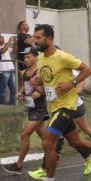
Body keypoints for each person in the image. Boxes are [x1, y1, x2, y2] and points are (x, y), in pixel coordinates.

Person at [33, 24, 91, 180]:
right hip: (53, 106)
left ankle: (49, 178)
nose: (34, 41)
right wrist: (37, 81)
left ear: (49, 39)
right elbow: (45, 79)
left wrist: (72, 83)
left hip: (67, 106)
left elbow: (87, 70)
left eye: (38, 37)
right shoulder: (40, 58)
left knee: (47, 142)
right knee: (76, 141)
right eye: (34, 37)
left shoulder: (63, 57)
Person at [2, 47, 49, 175]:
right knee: (46, 138)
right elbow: (25, 86)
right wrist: (20, 93)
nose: (26, 59)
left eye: (29, 57)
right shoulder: (24, 72)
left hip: (40, 108)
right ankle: (54, 154)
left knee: (25, 134)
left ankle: (18, 165)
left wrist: (40, 93)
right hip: (30, 107)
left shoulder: (41, 72)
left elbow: (48, 89)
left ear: (36, 57)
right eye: (25, 57)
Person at [0, 35, 16, 105]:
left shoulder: (5, 47)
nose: (2, 37)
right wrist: (9, 42)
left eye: (2, 36)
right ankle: (2, 106)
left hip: (11, 70)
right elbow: (2, 51)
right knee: (3, 90)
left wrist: (15, 42)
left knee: (13, 89)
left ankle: (13, 105)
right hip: (3, 71)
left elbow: (14, 51)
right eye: (0, 37)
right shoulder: (4, 47)